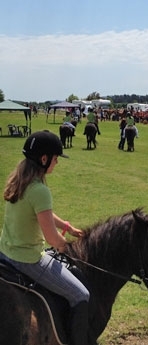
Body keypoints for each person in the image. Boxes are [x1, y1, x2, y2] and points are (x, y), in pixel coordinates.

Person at [0, 130, 89, 345]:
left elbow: (43, 214)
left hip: (5, 254)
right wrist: (64, 246)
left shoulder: (18, 180)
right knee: (81, 295)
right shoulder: (40, 190)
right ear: (44, 159)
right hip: (28, 260)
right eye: (56, 158)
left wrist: (66, 226)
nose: (57, 162)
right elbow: (53, 240)